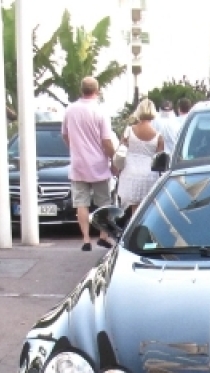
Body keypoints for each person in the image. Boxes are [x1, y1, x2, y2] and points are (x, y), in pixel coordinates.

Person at [60, 76, 117, 251]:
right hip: (98, 163)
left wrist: (74, 148)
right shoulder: (100, 111)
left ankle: (85, 239)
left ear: (81, 90)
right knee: (104, 203)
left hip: (78, 164)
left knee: (81, 203)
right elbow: (106, 140)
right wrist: (112, 158)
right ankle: (103, 236)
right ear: (97, 91)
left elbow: (64, 134)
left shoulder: (70, 110)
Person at [115, 99, 165, 212]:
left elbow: (121, 151)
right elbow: (160, 160)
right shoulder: (158, 136)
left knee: (134, 209)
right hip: (149, 175)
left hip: (130, 172)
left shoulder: (129, 130)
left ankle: (134, 229)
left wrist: (117, 168)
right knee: (147, 211)